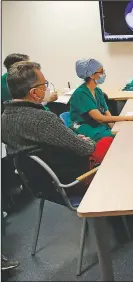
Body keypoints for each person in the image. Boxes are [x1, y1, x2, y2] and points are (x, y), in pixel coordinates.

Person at [1, 61, 112, 194]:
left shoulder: (4, 118)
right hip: (72, 180)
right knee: (109, 143)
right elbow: (85, 148)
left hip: (40, 185)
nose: (46, 88)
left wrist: (74, 139)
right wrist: (83, 141)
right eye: (44, 85)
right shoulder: (43, 119)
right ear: (34, 93)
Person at [69, 58, 133, 141]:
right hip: (84, 127)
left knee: (119, 134)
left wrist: (114, 129)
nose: (104, 74)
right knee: (112, 138)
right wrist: (128, 118)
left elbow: (107, 113)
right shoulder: (81, 94)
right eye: (101, 72)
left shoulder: (98, 91)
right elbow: (100, 118)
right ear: (91, 75)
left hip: (97, 125)